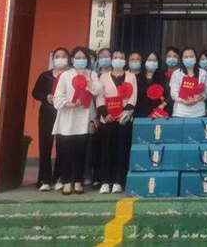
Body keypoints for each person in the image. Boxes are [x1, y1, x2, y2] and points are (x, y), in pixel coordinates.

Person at [52, 46, 101, 195]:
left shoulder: (92, 74)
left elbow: (97, 91)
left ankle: (78, 181)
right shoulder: (65, 75)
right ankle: (67, 181)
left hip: (83, 118)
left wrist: (87, 80)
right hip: (67, 118)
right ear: (72, 59)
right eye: (77, 58)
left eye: (83, 58)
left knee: (81, 151)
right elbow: (58, 95)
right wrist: (67, 103)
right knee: (65, 152)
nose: (81, 60)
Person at [95, 50, 137, 194]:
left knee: (121, 149)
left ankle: (118, 181)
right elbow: (100, 97)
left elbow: (133, 97)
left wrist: (125, 113)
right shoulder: (103, 77)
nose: (118, 59)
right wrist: (105, 114)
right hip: (107, 120)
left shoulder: (131, 76)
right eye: (116, 57)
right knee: (106, 150)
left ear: (125, 61)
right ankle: (105, 181)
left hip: (123, 120)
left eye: (121, 57)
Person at [31, 47, 70, 192]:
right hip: (47, 114)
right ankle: (44, 179)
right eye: (57, 56)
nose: (60, 59)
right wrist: (46, 96)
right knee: (45, 145)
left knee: (62, 146)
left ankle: (59, 177)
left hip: (64, 113)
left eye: (63, 56)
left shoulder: (70, 76)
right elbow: (35, 92)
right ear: (53, 59)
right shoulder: (45, 76)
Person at [170, 47, 207, 117]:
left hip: (199, 112)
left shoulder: (203, 73)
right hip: (180, 113)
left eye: (191, 56)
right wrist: (184, 101)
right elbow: (173, 93)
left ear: (196, 58)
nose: (189, 58)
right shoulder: (176, 73)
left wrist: (197, 99)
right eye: (186, 57)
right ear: (182, 59)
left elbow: (205, 93)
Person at [132, 51, 167, 118]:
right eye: (149, 60)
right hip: (140, 115)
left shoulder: (163, 78)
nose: (152, 62)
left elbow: (168, 96)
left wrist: (163, 105)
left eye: (154, 60)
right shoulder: (137, 78)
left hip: (157, 115)